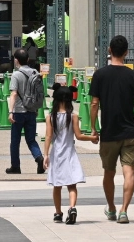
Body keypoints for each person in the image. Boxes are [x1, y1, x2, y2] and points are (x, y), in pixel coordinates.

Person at [90, 35, 134, 224]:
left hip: (109, 132)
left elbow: (94, 103)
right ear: (126, 53)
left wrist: (93, 128)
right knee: (128, 171)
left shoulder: (100, 75)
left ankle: (112, 208)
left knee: (109, 172)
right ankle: (124, 210)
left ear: (109, 50)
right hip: (130, 132)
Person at [44, 85, 96, 225]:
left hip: (56, 154)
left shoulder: (50, 117)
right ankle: (72, 208)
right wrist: (92, 138)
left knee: (57, 185)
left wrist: (45, 155)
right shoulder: (73, 116)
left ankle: (58, 213)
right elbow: (79, 136)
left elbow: (48, 137)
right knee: (72, 185)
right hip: (69, 153)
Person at [6, 48, 45, 175]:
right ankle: (39, 158)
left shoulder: (16, 75)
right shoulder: (35, 72)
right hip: (32, 110)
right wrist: (36, 108)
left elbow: (13, 94)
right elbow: (38, 93)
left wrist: (10, 112)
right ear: (28, 59)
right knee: (31, 139)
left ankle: (15, 166)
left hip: (18, 112)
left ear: (16, 60)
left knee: (15, 141)